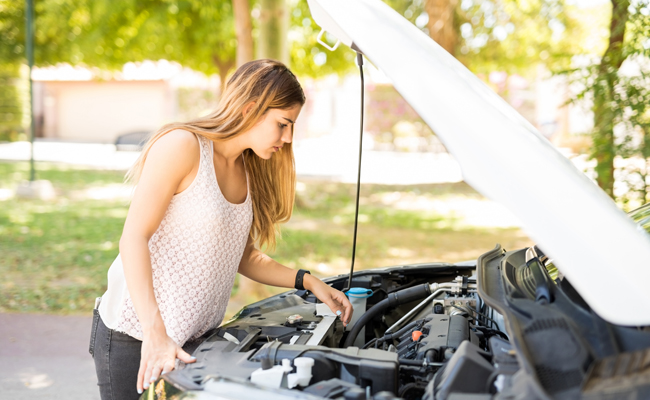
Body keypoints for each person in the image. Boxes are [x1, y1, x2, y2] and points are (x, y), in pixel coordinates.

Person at [89, 59, 354, 400]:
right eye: (283, 124)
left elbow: (241, 256)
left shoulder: (248, 167)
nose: (287, 139)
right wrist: (156, 334)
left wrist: (309, 281)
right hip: (136, 337)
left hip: (196, 339)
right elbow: (133, 239)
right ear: (250, 109)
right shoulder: (182, 145)